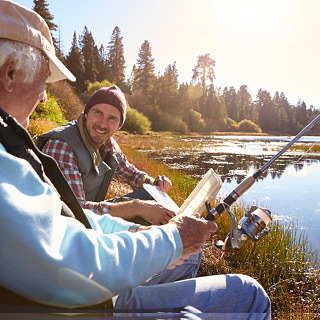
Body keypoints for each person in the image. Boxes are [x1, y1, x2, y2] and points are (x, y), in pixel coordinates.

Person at [0, 1, 271, 318]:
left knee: (190, 257)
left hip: (85, 289)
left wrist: (143, 220)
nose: (45, 96)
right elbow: (73, 257)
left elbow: (69, 219)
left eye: (113, 119)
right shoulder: (45, 150)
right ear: (10, 73)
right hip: (86, 303)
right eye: (44, 78)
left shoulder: (16, 146)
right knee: (249, 296)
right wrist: (164, 231)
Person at [36, 86, 174, 226]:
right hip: (63, 224)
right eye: (98, 113)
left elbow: (131, 174)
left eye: (112, 119)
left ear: (119, 126)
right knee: (144, 208)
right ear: (86, 113)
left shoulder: (109, 145)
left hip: (89, 217)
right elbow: (74, 211)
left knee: (152, 196)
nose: (102, 124)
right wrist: (137, 208)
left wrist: (155, 183)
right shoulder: (62, 146)